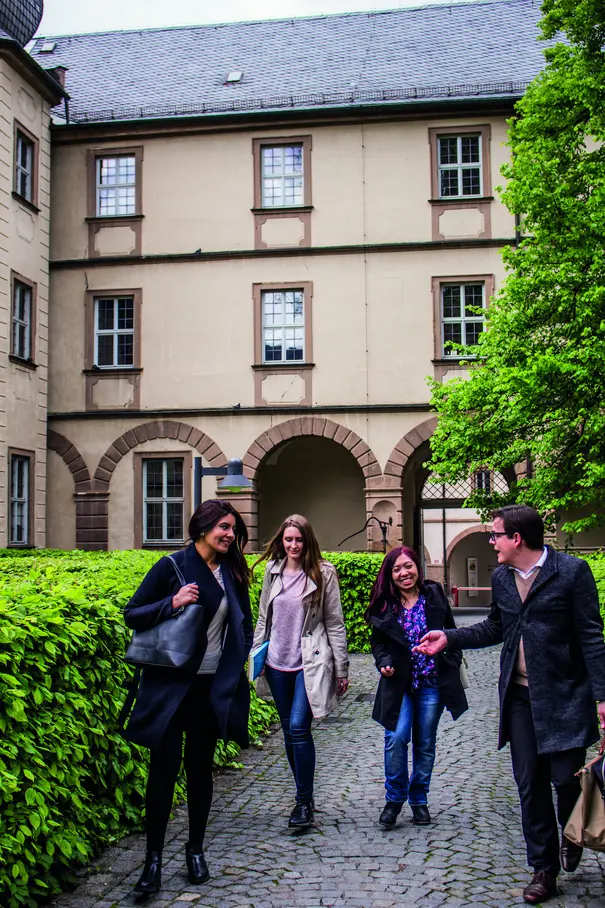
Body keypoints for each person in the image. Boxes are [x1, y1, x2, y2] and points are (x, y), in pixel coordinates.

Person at [415, 505, 605, 904]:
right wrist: (449, 638)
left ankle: (573, 832)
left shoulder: (572, 572)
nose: (492, 541)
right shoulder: (501, 577)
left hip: (564, 695)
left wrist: (603, 695)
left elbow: (591, 636)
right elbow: (496, 627)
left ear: (516, 538)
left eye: (496, 535)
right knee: (529, 785)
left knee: (566, 780)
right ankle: (544, 869)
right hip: (518, 696)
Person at [122, 500, 253, 896]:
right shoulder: (172, 566)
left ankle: (195, 849)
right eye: (223, 527)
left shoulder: (232, 572)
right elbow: (132, 614)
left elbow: (243, 624)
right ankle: (153, 861)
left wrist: (235, 664)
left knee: (200, 771)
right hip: (171, 687)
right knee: (162, 772)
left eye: (233, 529)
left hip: (210, 688)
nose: (230, 534)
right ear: (202, 527)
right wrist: (172, 603)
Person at [253, 514, 349, 828]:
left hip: (310, 662)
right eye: (288, 539)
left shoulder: (324, 573)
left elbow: (334, 622)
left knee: (297, 728)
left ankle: (303, 802)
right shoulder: (272, 571)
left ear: (307, 540)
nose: (293, 545)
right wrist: (256, 656)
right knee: (288, 731)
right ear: (282, 541)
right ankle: (304, 795)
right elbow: (263, 619)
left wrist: (341, 667)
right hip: (276, 662)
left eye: (299, 539)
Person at [365, 545, 468, 828]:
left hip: (431, 681)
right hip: (398, 683)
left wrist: (451, 657)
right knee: (396, 737)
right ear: (390, 574)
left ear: (417, 567)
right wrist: (383, 661)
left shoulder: (433, 595)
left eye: (408, 566)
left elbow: (451, 632)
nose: (404, 573)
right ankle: (394, 799)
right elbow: (378, 643)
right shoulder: (384, 605)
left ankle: (419, 799)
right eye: (397, 569)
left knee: (425, 743)